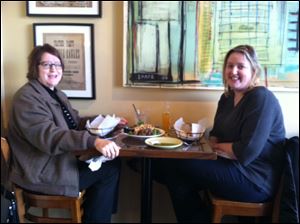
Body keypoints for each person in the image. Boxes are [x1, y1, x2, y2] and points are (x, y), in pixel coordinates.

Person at [152, 45, 286, 222]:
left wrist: (214, 147)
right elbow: (215, 134)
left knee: (173, 167)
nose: (233, 71)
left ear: (254, 70)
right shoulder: (226, 98)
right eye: (229, 66)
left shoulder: (261, 97)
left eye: (240, 66)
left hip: (255, 180)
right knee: (176, 177)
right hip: (228, 166)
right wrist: (212, 145)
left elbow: (246, 151)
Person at [7, 43, 125, 222]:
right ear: (34, 68)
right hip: (42, 171)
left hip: (58, 162)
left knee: (111, 164)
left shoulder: (56, 94)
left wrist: (108, 120)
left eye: (58, 64)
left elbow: (75, 123)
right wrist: (94, 142)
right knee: (109, 169)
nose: (54, 69)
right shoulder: (26, 98)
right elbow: (50, 136)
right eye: (47, 64)